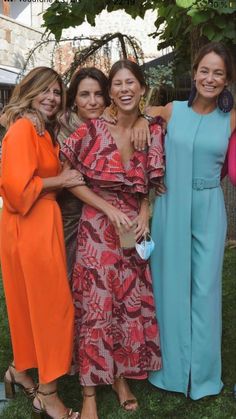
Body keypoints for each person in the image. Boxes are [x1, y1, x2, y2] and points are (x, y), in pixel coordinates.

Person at [61, 59, 164, 418]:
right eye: (117, 84)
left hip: (132, 230)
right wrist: (106, 208)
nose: (124, 90)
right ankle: (89, 391)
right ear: (111, 93)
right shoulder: (89, 132)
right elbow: (71, 179)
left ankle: (120, 378)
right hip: (97, 229)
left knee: (126, 305)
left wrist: (144, 213)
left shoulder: (150, 130)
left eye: (130, 83)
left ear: (140, 87)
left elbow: (150, 184)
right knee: (95, 308)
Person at [138, 42, 236, 400]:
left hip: (210, 207)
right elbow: (132, 117)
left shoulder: (232, 118)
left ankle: (205, 376)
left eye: (219, 73)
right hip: (170, 205)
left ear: (226, 81)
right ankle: (171, 372)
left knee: (206, 291)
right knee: (170, 286)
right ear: (194, 74)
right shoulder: (170, 111)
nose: (210, 78)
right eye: (205, 71)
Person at [0, 67, 84, 418]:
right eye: (44, 91)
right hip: (29, 224)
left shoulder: (41, 129)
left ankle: (20, 371)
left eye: (56, 91)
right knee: (53, 309)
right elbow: (17, 192)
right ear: (30, 91)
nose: (52, 97)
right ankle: (47, 395)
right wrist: (60, 179)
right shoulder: (23, 129)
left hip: (39, 224)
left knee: (33, 306)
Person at [56, 67, 110, 279]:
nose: (93, 101)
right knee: (68, 278)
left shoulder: (109, 126)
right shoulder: (64, 128)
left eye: (98, 94)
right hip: (71, 218)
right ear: (74, 99)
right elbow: (69, 178)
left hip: (105, 220)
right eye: (85, 95)